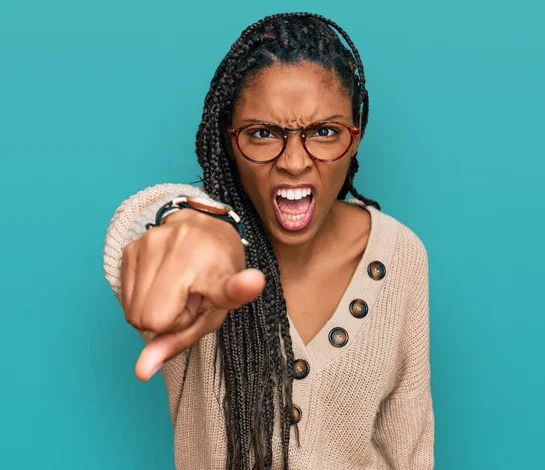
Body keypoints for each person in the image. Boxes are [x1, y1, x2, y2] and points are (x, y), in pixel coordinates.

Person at [103, 12, 434, 470]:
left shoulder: (401, 255)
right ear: (229, 140)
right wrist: (187, 219)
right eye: (262, 134)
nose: (295, 162)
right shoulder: (205, 265)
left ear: (354, 138)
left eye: (324, 132)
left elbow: (410, 451)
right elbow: (141, 227)